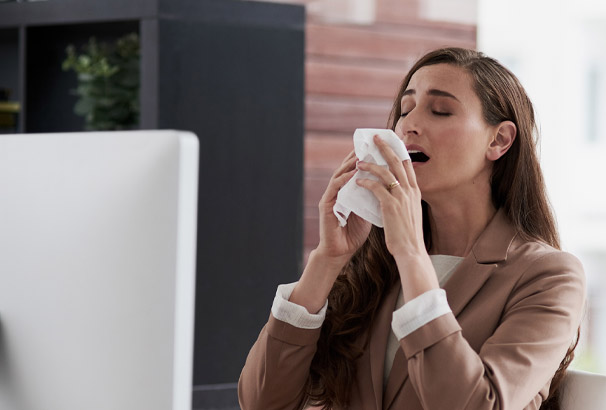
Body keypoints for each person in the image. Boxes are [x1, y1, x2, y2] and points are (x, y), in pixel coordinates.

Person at [238, 47, 586, 410]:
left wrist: (411, 253)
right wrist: (327, 259)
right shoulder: (374, 266)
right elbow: (261, 402)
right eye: (405, 110)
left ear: (498, 140)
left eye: (441, 111)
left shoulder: (549, 276)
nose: (407, 125)